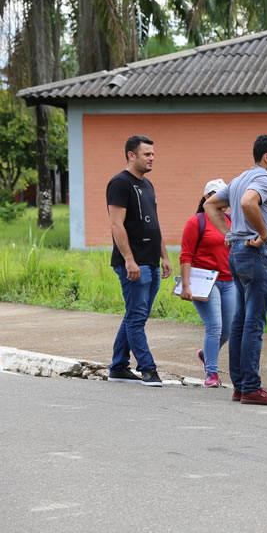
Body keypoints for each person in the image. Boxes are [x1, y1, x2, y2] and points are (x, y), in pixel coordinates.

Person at [204, 135, 267, 406]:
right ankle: (251, 387)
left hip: (237, 252)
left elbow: (210, 205)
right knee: (253, 322)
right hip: (254, 253)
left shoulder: (239, 179)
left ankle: (240, 387)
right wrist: (263, 234)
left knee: (240, 322)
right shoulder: (264, 179)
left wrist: (231, 234)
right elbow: (248, 204)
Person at [106, 135, 171, 387]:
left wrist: (164, 256)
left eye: (153, 154)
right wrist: (129, 261)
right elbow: (116, 224)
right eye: (147, 154)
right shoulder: (120, 183)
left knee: (135, 315)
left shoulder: (148, 184)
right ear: (131, 155)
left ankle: (118, 367)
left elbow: (154, 224)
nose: (152, 158)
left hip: (151, 262)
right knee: (136, 317)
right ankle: (147, 369)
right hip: (134, 264)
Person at [179, 178, 234, 388]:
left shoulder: (230, 221)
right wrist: (186, 286)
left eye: (225, 197)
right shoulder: (197, 222)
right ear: (207, 198)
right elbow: (186, 255)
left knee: (227, 330)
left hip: (229, 281)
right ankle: (212, 374)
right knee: (215, 326)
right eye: (218, 196)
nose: (222, 201)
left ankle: (205, 353)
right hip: (205, 282)